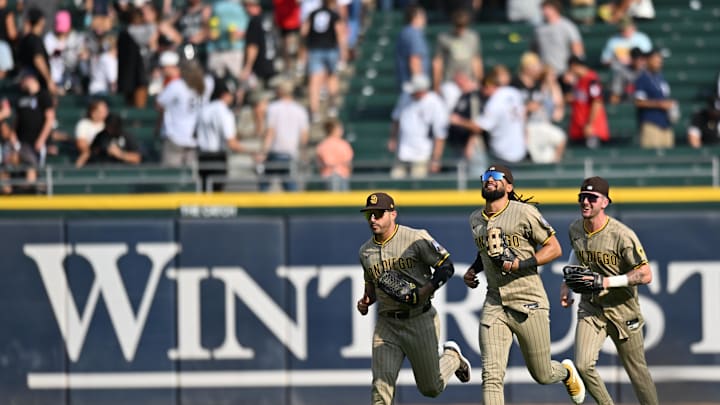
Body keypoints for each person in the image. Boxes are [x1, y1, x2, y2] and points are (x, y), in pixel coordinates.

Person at [463, 164, 586, 405]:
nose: (490, 180)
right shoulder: (475, 219)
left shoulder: (523, 212)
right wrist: (473, 269)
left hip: (528, 300)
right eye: (486, 176)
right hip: (495, 302)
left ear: (509, 186)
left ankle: (566, 372)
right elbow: (486, 253)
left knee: (542, 373)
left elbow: (554, 248)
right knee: (491, 376)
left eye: (497, 177)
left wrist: (521, 263)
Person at [357, 191, 471, 405]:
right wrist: (365, 301)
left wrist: (424, 291)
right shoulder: (366, 252)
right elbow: (371, 289)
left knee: (431, 388)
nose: (372, 219)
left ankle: (453, 358)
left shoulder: (416, 238)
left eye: (378, 213)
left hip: (419, 319)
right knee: (381, 388)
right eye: (369, 214)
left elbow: (446, 267)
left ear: (393, 214)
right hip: (386, 324)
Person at [560, 176, 659, 405]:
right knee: (583, 365)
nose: (586, 202)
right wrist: (567, 282)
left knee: (637, 372)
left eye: (592, 198)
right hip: (592, 307)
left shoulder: (621, 235)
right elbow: (577, 251)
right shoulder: (575, 228)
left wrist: (607, 282)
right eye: (582, 197)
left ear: (604, 202)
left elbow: (645, 274)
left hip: (622, 309)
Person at [451, 71, 528, 164]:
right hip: (520, 149)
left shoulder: (494, 102)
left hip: (503, 152)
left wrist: (458, 120)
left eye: (483, 88)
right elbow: (524, 113)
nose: (483, 93)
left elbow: (479, 127)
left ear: (489, 86)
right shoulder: (513, 92)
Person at [388, 74, 448, 179]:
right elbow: (396, 119)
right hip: (402, 151)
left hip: (422, 154)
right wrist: (393, 138)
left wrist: (435, 159)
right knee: (394, 180)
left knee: (416, 184)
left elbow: (440, 134)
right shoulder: (405, 97)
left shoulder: (435, 103)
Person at [256, 79, 309, 191]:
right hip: (290, 154)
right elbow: (304, 136)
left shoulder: (273, 108)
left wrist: (263, 152)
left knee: (263, 188)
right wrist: (303, 153)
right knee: (291, 190)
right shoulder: (300, 110)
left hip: (275, 154)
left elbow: (270, 132)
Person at [195, 79, 246, 191]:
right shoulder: (225, 112)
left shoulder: (204, 109)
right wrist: (252, 154)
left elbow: (195, 134)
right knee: (217, 197)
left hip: (202, 156)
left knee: (203, 192)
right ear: (225, 95)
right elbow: (231, 142)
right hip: (217, 157)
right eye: (231, 94)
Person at [155, 51, 204, 167]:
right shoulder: (200, 87)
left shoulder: (177, 85)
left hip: (175, 137)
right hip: (191, 137)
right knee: (189, 179)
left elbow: (158, 104)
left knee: (171, 177)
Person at [302, 0, 346, 122]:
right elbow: (340, 34)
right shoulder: (334, 15)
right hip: (330, 49)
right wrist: (343, 54)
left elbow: (304, 32)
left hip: (315, 49)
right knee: (332, 77)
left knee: (314, 82)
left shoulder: (313, 14)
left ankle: (314, 111)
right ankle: (332, 106)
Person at [532, 0, 584, 94]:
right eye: (543, 9)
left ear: (555, 9)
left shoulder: (567, 26)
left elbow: (577, 49)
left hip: (563, 72)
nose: (544, 12)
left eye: (547, 9)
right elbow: (534, 50)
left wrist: (572, 72)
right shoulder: (539, 29)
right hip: (546, 73)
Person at [599, 17, 652, 105]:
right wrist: (617, 59)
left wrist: (633, 61)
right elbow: (605, 60)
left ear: (633, 27)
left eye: (627, 28)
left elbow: (649, 59)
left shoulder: (642, 39)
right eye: (623, 29)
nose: (625, 31)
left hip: (640, 72)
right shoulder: (613, 41)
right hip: (620, 73)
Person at [634, 47, 677, 149]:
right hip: (651, 124)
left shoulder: (660, 77)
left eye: (660, 59)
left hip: (665, 124)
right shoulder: (642, 78)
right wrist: (659, 104)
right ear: (647, 60)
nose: (659, 61)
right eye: (655, 58)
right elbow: (639, 102)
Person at [431, 9, 483, 94]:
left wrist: (479, 81)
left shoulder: (473, 38)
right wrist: (436, 85)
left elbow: (476, 60)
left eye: (463, 25)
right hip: (450, 82)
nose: (460, 28)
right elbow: (438, 62)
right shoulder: (444, 38)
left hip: (468, 81)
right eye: (458, 25)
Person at [566, 55, 610, 148]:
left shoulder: (591, 79)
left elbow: (597, 102)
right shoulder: (578, 81)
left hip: (591, 130)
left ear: (574, 66)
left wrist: (590, 124)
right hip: (579, 128)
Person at [395, 4, 429, 91]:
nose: (425, 20)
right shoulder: (414, 33)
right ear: (415, 17)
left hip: (407, 84)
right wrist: (420, 85)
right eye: (422, 16)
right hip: (414, 87)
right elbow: (414, 59)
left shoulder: (405, 32)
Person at [315, 117, 353, 191]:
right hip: (334, 177)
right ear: (334, 129)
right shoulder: (343, 144)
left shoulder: (322, 145)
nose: (341, 130)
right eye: (340, 128)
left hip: (334, 177)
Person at [74, 99, 109, 168]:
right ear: (93, 112)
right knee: (85, 154)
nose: (105, 113)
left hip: (106, 155)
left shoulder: (108, 125)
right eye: (102, 111)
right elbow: (81, 143)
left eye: (105, 111)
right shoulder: (83, 124)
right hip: (90, 155)